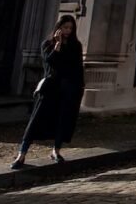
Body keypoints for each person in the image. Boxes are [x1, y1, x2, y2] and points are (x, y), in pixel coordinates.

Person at [10, 15, 85, 168]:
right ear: (59, 28)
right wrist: (57, 45)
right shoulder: (47, 44)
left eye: (70, 28)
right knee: (35, 121)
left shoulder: (76, 46)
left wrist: (79, 87)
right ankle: (21, 154)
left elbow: (77, 68)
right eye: (65, 27)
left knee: (62, 120)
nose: (68, 31)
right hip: (50, 87)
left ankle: (56, 151)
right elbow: (50, 63)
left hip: (68, 88)